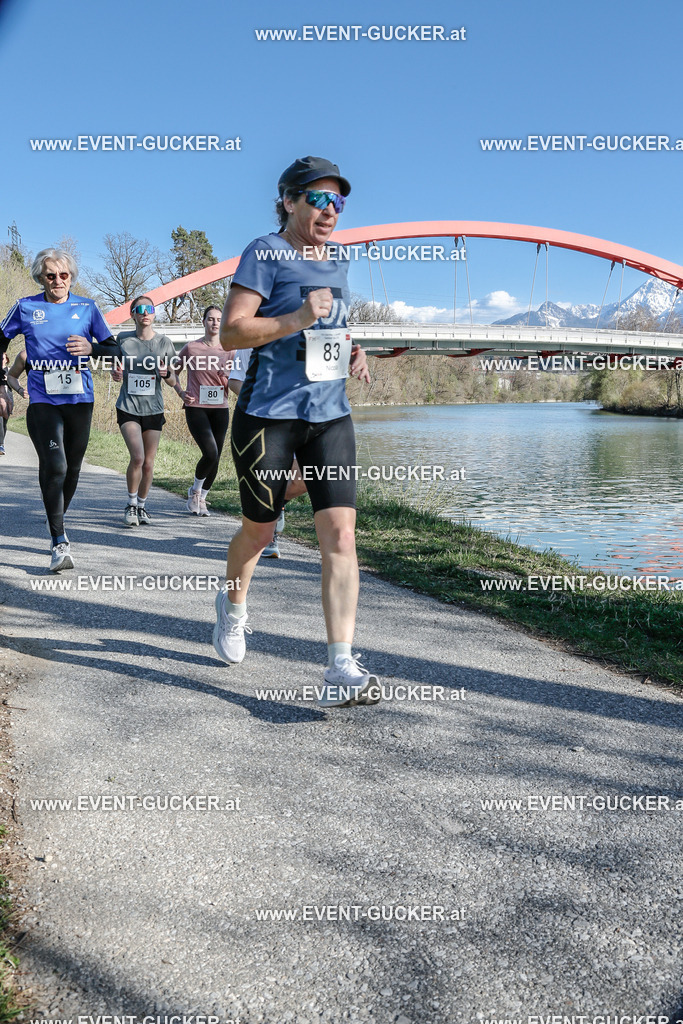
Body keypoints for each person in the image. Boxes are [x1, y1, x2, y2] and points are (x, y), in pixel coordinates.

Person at [214, 155, 379, 708]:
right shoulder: (266, 252)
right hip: (268, 416)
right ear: (288, 201)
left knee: (341, 536)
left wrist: (352, 348)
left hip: (329, 413)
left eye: (338, 201)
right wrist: (297, 320)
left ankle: (339, 665)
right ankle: (233, 609)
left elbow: (332, 324)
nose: (330, 210)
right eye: (318, 199)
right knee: (260, 532)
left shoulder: (339, 260)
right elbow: (235, 334)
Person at [0, 249, 119, 571]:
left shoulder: (87, 307)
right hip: (43, 400)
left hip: (81, 400)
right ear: (41, 277)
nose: (57, 281)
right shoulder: (26, 307)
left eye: (63, 275)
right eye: (50, 275)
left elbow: (114, 348)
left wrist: (92, 348)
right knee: (56, 465)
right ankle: (59, 540)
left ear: (71, 277)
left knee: (74, 468)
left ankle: (56, 517)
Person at [227, 347, 307, 557]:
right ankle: (268, 533)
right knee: (268, 483)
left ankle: (276, 507)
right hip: (263, 421)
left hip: (300, 419)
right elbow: (234, 380)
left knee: (304, 478)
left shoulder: (303, 331)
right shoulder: (249, 341)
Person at [112, 296, 177, 526]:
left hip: (154, 408)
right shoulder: (123, 339)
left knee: (149, 462)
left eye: (150, 308)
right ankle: (130, 505)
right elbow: (115, 367)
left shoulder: (164, 343)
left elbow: (172, 379)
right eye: (140, 309)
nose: (145, 313)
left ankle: (141, 506)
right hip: (128, 406)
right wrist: (116, 373)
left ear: (154, 313)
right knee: (137, 457)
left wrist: (167, 374)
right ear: (133, 314)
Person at [173, 305, 235, 517]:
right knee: (210, 452)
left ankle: (203, 498)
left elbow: (236, 383)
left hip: (220, 408)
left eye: (219, 319)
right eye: (211, 319)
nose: (215, 323)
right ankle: (194, 492)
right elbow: (173, 371)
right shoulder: (191, 348)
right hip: (196, 407)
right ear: (204, 322)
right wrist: (181, 392)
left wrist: (228, 377)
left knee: (216, 457)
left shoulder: (230, 350)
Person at [0, 353, 11, 455]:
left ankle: (2, 442)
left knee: (4, 422)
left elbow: (16, 382)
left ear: (7, 359)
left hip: (9, 397)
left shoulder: (10, 370)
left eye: (3, 358)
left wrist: (8, 380)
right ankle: (0, 444)